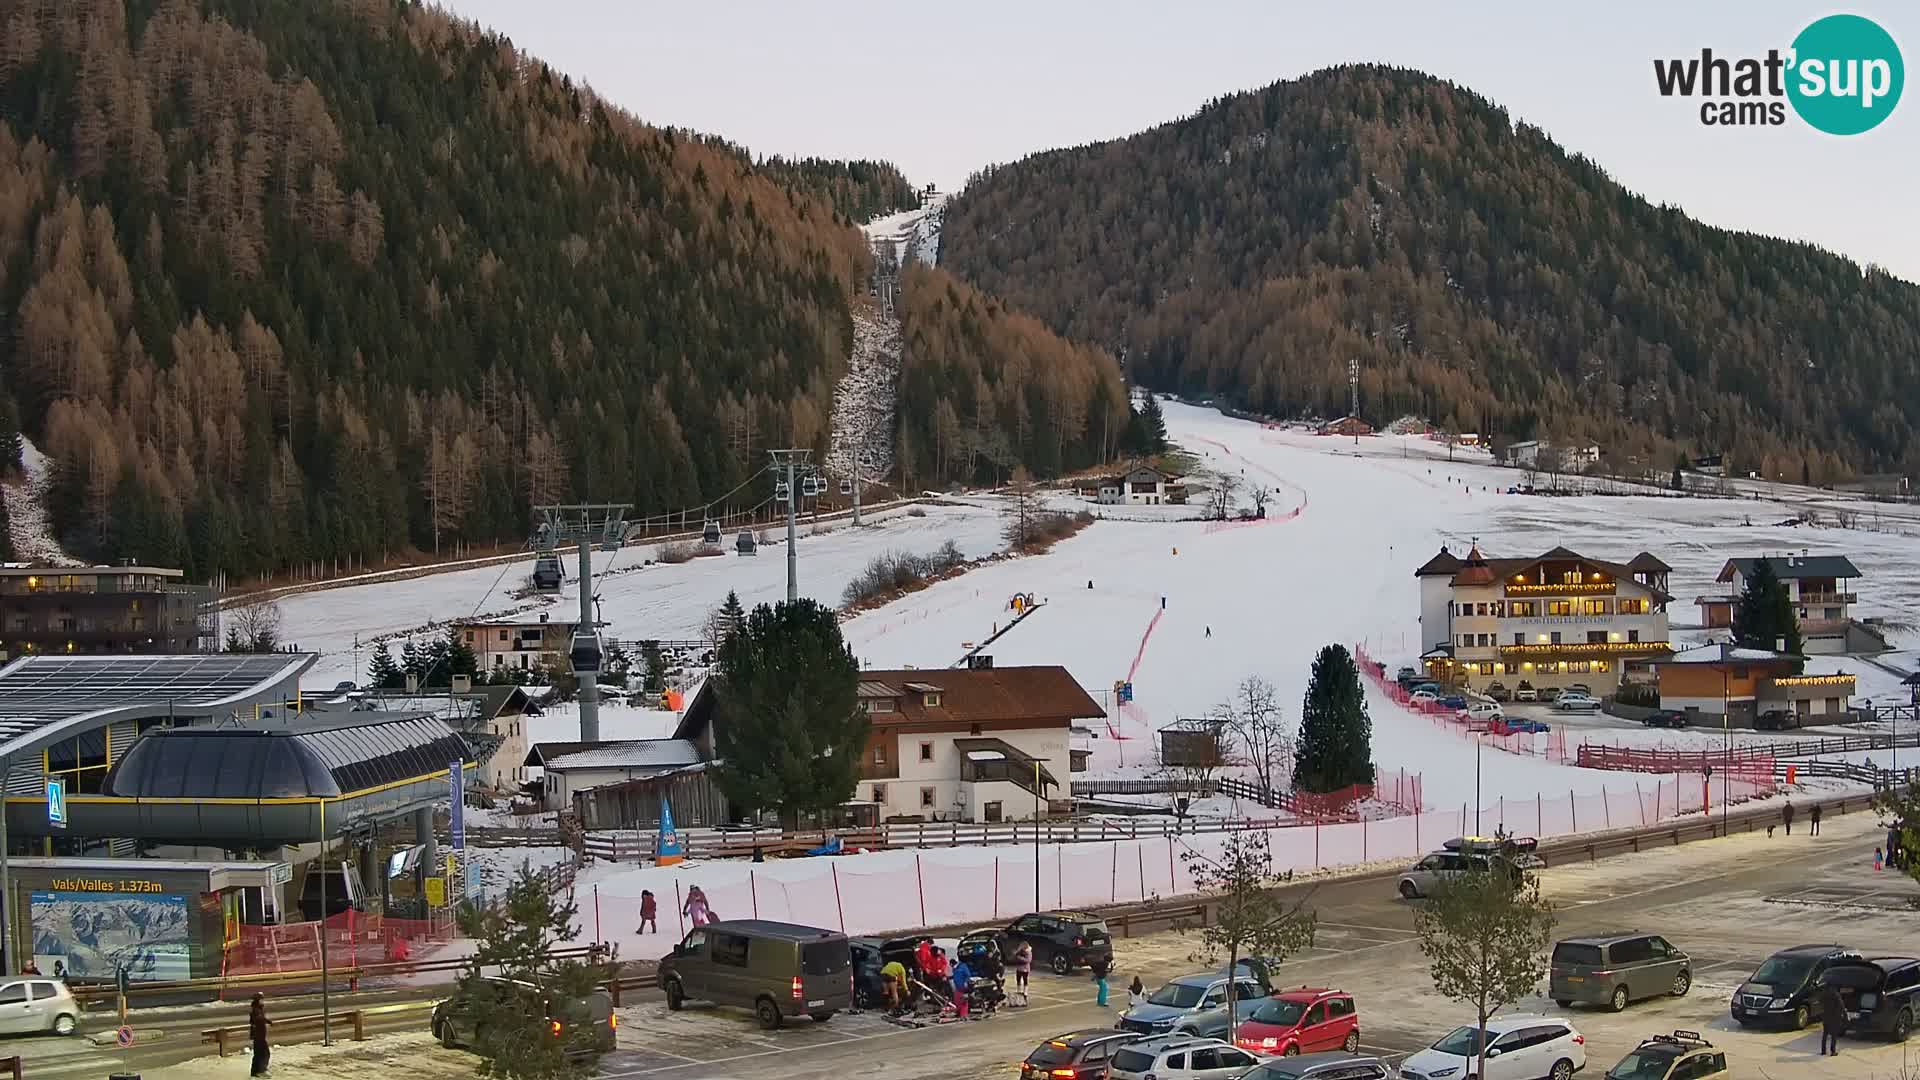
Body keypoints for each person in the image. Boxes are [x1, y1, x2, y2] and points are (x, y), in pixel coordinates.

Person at [1820, 980, 1846, 1056]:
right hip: (1834, 1017)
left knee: (1825, 1034)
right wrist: (1844, 1014)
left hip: (1825, 1016)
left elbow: (1820, 1002)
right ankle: (1833, 1051)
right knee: (1834, 1035)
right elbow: (1841, 1005)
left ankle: (1823, 1050)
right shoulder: (1835, 994)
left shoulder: (1823, 993)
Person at [249, 993, 271, 1077]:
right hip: (258, 1035)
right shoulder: (256, 1010)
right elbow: (258, 1019)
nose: (263, 1001)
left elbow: (260, 1018)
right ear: (258, 1001)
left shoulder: (258, 1009)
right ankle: (260, 1071)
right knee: (263, 1053)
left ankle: (255, 1072)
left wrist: (268, 1021)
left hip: (260, 1035)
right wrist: (265, 1020)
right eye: (261, 999)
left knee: (259, 1053)